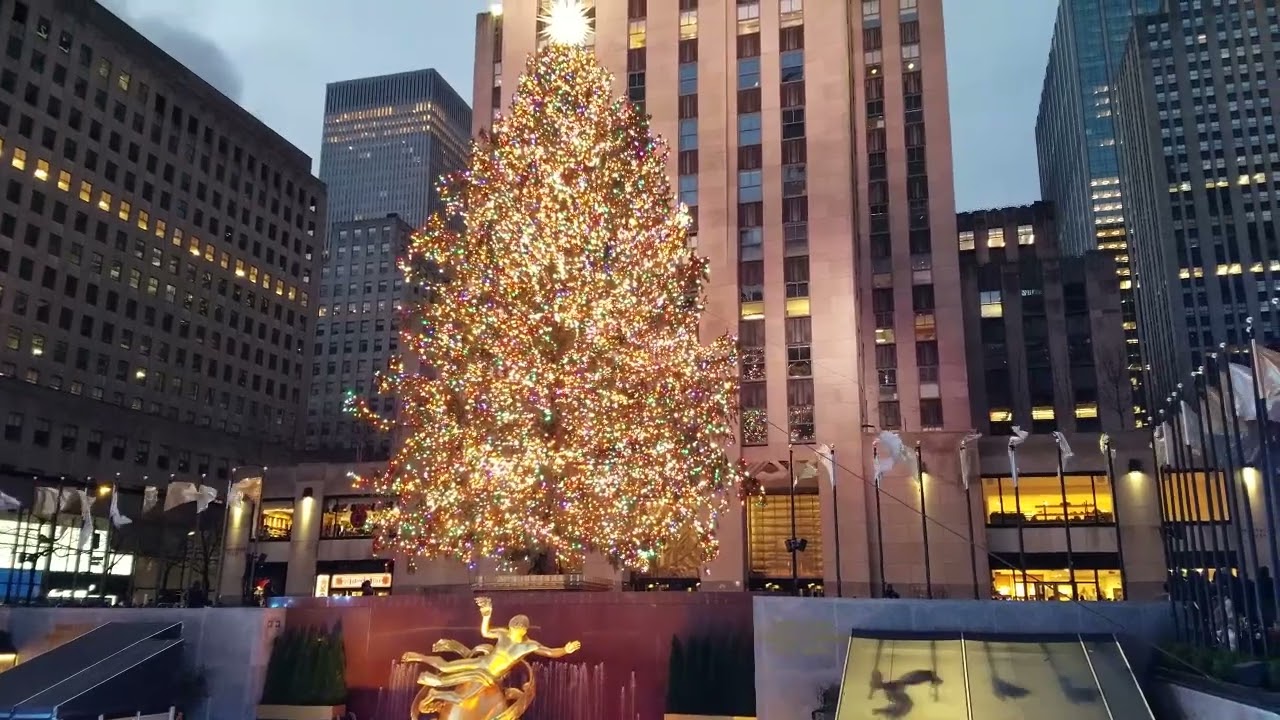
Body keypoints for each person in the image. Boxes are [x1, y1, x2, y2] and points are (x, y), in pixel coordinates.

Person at [402, 597, 580, 705]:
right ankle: (419, 657)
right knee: (447, 666)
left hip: (489, 677)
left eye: (516, 630)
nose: (511, 632)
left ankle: (436, 693)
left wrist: (565, 649)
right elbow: (485, 632)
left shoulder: (529, 645)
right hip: (481, 663)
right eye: (511, 629)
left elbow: (549, 652)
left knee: (462, 698)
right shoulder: (503, 634)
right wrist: (486, 616)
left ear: (524, 630)